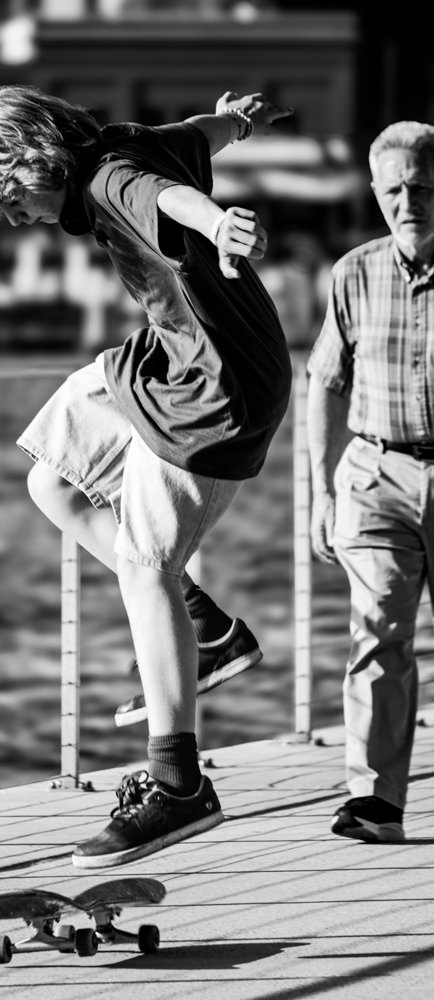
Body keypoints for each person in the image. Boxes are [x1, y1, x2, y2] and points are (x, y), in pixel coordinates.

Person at [0, 85, 293, 867]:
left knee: (142, 564)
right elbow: (198, 134)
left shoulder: (109, 181)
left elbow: (164, 198)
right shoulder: (127, 140)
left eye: (7, 197)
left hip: (217, 386)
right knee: (53, 479)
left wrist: (219, 225)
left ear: (34, 157)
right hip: (167, 354)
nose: (7, 214)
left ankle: (177, 785)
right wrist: (238, 120)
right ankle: (204, 629)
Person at [307, 121, 434, 844]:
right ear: (374, 192)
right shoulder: (352, 272)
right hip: (375, 472)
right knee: (376, 633)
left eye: (419, 185)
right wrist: (321, 492)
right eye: (392, 189)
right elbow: (323, 381)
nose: (405, 200)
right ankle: (374, 802)